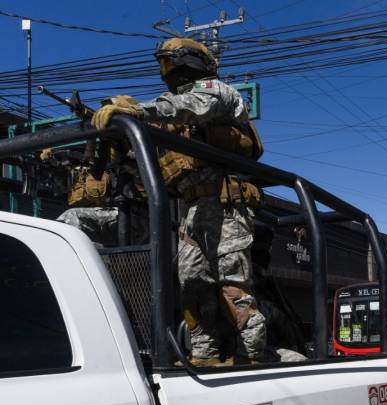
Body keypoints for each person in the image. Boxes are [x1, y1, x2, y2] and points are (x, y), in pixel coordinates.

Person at [92, 37, 266, 366]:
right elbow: (151, 162)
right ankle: (206, 354)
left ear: (192, 62)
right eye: (163, 65)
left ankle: (249, 359)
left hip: (227, 203)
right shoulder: (171, 106)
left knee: (232, 285)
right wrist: (120, 140)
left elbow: (192, 106)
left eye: (171, 63)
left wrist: (137, 110)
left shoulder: (216, 91)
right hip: (193, 208)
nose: (166, 72)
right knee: (191, 281)